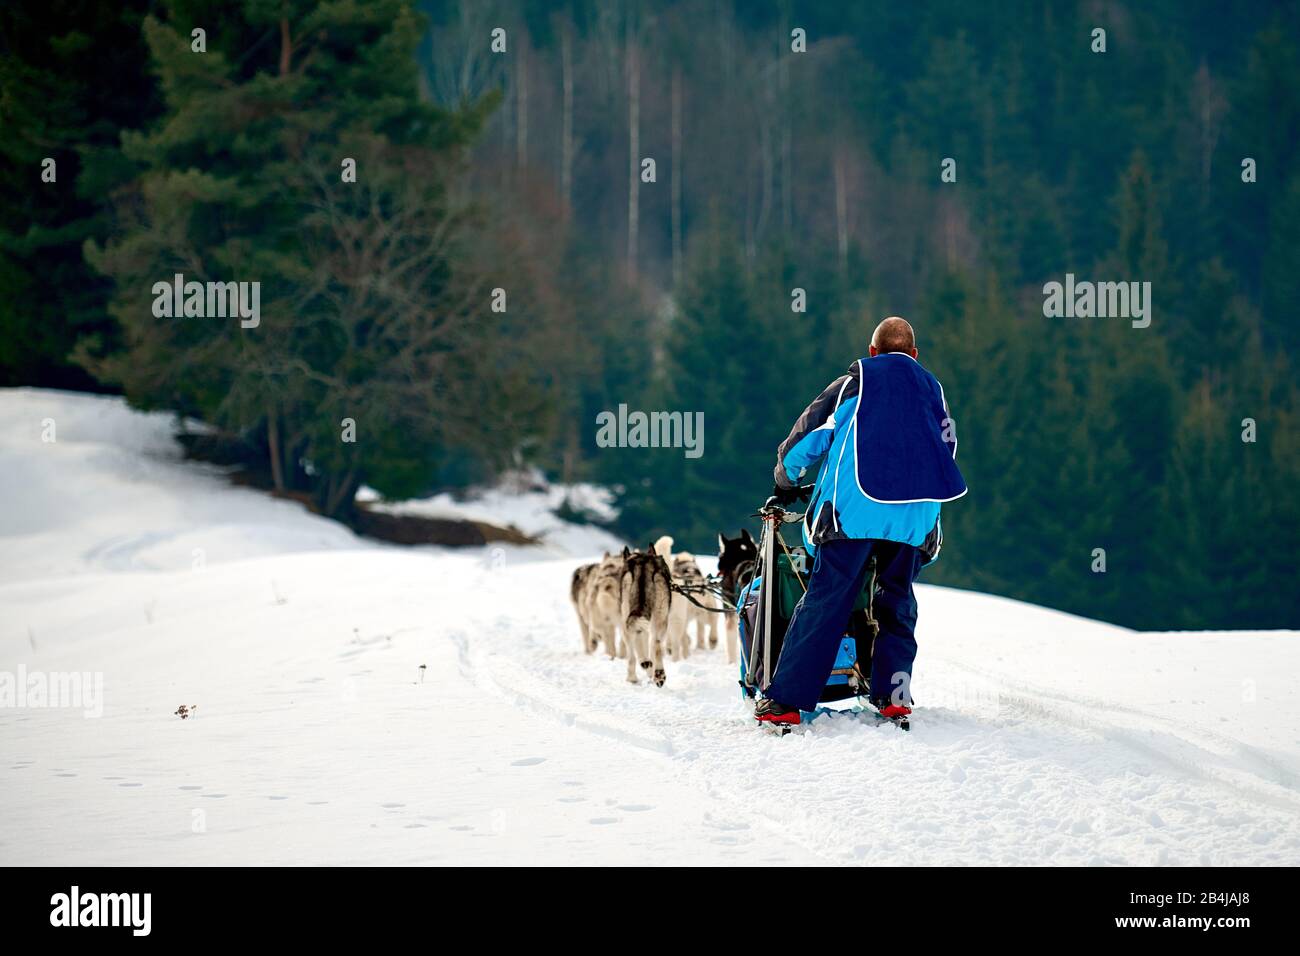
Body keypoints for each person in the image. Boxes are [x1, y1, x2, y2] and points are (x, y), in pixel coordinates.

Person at [754, 317, 966, 727]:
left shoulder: (855, 383)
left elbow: (808, 437)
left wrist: (785, 478)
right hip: (913, 517)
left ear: (872, 352)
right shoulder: (933, 390)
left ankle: (787, 702)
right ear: (914, 355)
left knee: (826, 601)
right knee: (898, 602)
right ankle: (893, 697)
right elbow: (947, 447)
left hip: (853, 514)